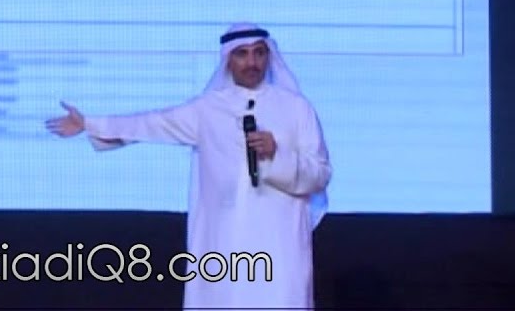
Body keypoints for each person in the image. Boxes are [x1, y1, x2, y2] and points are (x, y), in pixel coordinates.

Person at [45, 23, 332, 310]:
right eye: (242, 54)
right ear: (228, 59)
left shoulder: (297, 109)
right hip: (224, 247)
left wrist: (277, 155)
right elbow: (152, 124)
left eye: (259, 53)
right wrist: (89, 124)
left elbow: (320, 175)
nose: (252, 62)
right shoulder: (207, 109)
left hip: (280, 253)